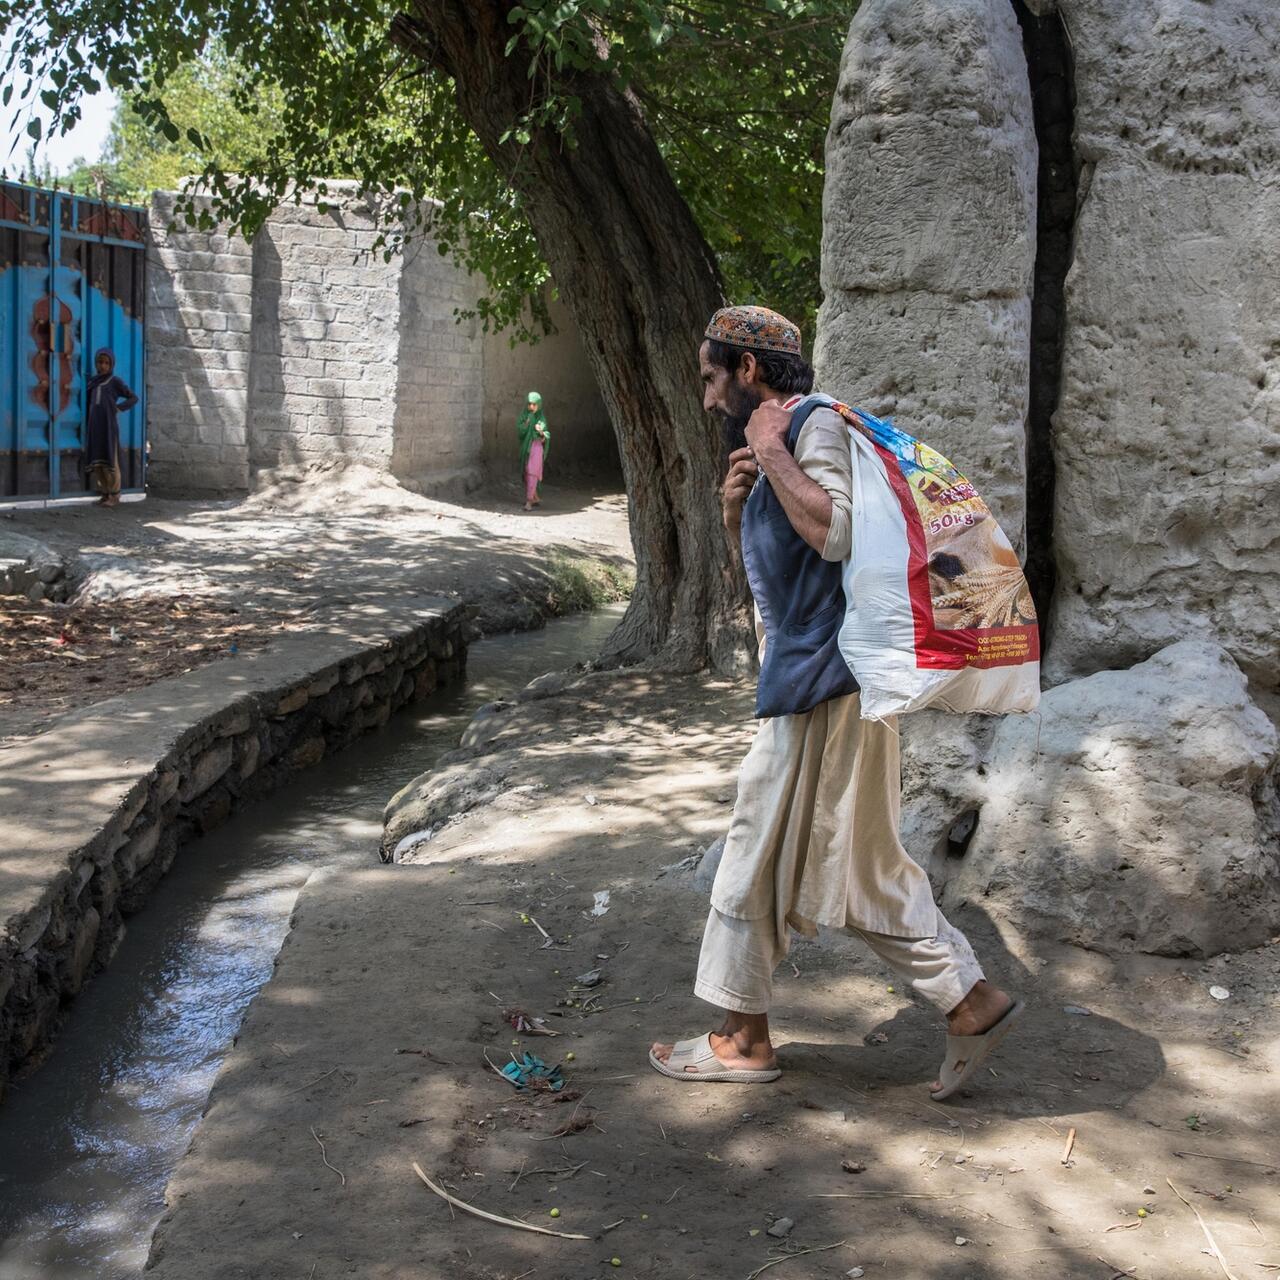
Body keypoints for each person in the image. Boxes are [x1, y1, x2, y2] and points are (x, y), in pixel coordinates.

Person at [649, 305, 1022, 1100]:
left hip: (826, 687)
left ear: (749, 369)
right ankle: (969, 999)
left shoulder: (805, 427)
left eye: (715, 378)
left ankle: (742, 1038)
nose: (710, 399)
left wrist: (775, 452)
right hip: (821, 683)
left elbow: (836, 534)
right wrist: (734, 505)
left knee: (758, 846)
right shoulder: (780, 438)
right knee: (859, 869)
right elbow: (778, 580)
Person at [84, 348, 137, 507]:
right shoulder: (93, 382)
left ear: (111, 364)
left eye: (107, 363)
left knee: (110, 461)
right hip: (95, 426)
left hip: (108, 426)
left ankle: (115, 494)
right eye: (100, 362)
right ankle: (105, 493)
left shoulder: (115, 381)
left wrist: (118, 408)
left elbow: (133, 398)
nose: (103, 366)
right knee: (97, 461)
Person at [517, 391, 550, 511]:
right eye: (529, 404)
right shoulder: (525, 416)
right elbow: (520, 429)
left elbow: (546, 435)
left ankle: (529, 501)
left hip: (536, 449)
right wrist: (526, 424)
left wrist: (540, 431)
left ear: (539, 405)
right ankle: (535, 497)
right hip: (527, 449)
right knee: (527, 473)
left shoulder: (541, 418)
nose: (531, 407)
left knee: (532, 473)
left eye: (534, 404)